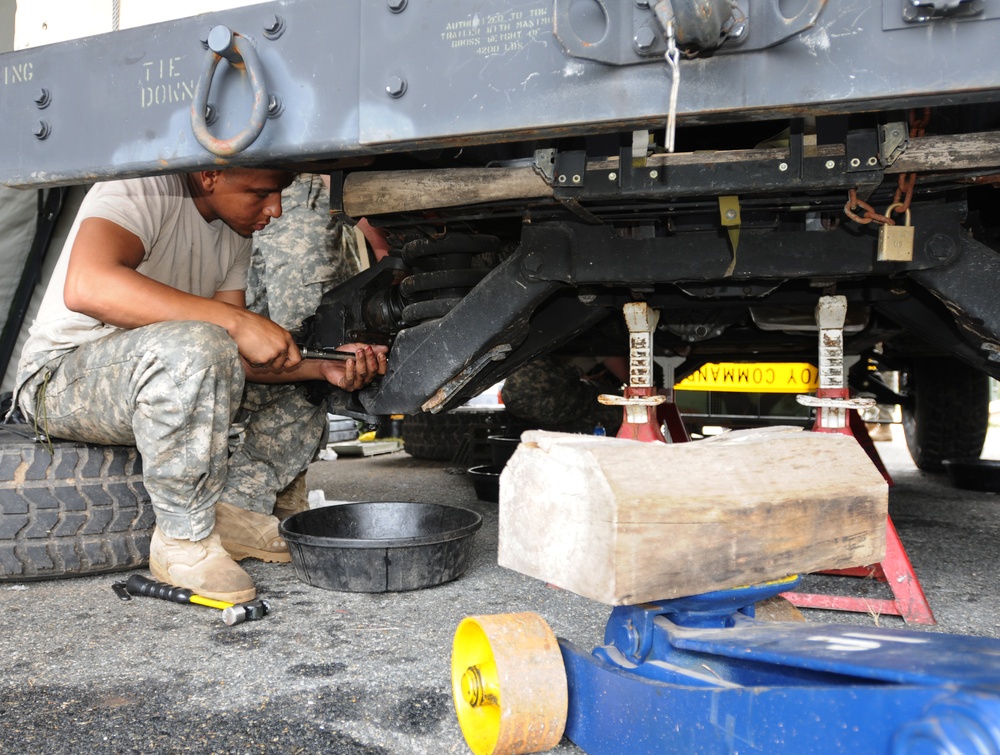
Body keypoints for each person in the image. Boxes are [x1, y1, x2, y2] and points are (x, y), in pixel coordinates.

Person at [11, 169, 388, 603]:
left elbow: (239, 358)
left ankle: (236, 514)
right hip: (59, 378)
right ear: (210, 175)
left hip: (157, 367)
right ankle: (181, 542)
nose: (276, 209)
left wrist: (320, 369)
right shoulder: (141, 185)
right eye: (261, 193)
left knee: (296, 364)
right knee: (200, 342)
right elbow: (87, 285)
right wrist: (237, 321)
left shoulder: (235, 233)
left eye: (281, 194)